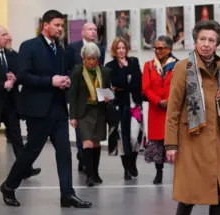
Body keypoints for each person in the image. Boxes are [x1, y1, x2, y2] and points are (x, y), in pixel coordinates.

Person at [0, 10, 92, 208]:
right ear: (45, 25)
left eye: (61, 26)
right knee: (31, 152)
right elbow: (22, 76)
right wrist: (51, 81)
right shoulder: (29, 46)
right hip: (38, 110)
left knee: (64, 152)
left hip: (58, 108)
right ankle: (8, 186)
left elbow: (64, 72)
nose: (60, 29)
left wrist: (66, 79)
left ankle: (67, 194)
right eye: (57, 25)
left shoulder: (61, 49)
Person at [165, 20, 220, 215]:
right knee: (189, 193)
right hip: (191, 139)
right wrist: (171, 145)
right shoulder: (183, 67)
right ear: (195, 41)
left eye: (211, 40)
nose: (206, 44)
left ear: (217, 43)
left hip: (218, 138)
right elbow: (173, 109)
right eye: (202, 39)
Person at [0, 26, 41, 180]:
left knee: (16, 136)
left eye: (8, 34)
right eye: (4, 34)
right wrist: (2, 84)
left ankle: (25, 168)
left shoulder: (12, 55)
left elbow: (21, 73)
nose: (8, 37)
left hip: (10, 103)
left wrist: (14, 78)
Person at [69, 42, 111, 187]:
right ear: (83, 58)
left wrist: (108, 97)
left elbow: (108, 91)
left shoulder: (105, 72)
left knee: (96, 143)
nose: (92, 62)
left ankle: (96, 172)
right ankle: (89, 175)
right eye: (89, 58)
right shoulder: (77, 71)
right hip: (83, 112)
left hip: (99, 111)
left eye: (94, 59)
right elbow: (73, 95)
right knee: (87, 143)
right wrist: (72, 116)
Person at [66, 22, 105, 172]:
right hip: (80, 99)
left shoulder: (100, 48)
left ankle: (91, 166)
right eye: (90, 29)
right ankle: (83, 159)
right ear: (82, 32)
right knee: (81, 134)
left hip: (95, 100)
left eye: (95, 29)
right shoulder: (72, 48)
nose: (93, 32)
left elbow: (100, 73)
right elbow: (68, 70)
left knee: (94, 136)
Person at [105, 37, 143, 180]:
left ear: (127, 49)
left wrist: (122, 85)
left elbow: (138, 82)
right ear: (115, 50)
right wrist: (125, 79)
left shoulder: (134, 61)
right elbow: (116, 82)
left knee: (134, 137)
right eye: (118, 48)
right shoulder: (110, 65)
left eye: (123, 48)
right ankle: (126, 169)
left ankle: (132, 163)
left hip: (135, 106)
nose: (121, 51)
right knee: (122, 139)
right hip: (119, 107)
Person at [142, 36, 178, 185]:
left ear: (169, 49)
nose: (158, 51)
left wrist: (169, 102)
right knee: (157, 144)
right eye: (156, 48)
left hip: (172, 110)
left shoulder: (178, 65)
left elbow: (179, 86)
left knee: (174, 142)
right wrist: (158, 101)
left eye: (161, 48)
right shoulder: (149, 66)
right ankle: (159, 172)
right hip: (156, 110)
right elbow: (145, 87)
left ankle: (179, 174)